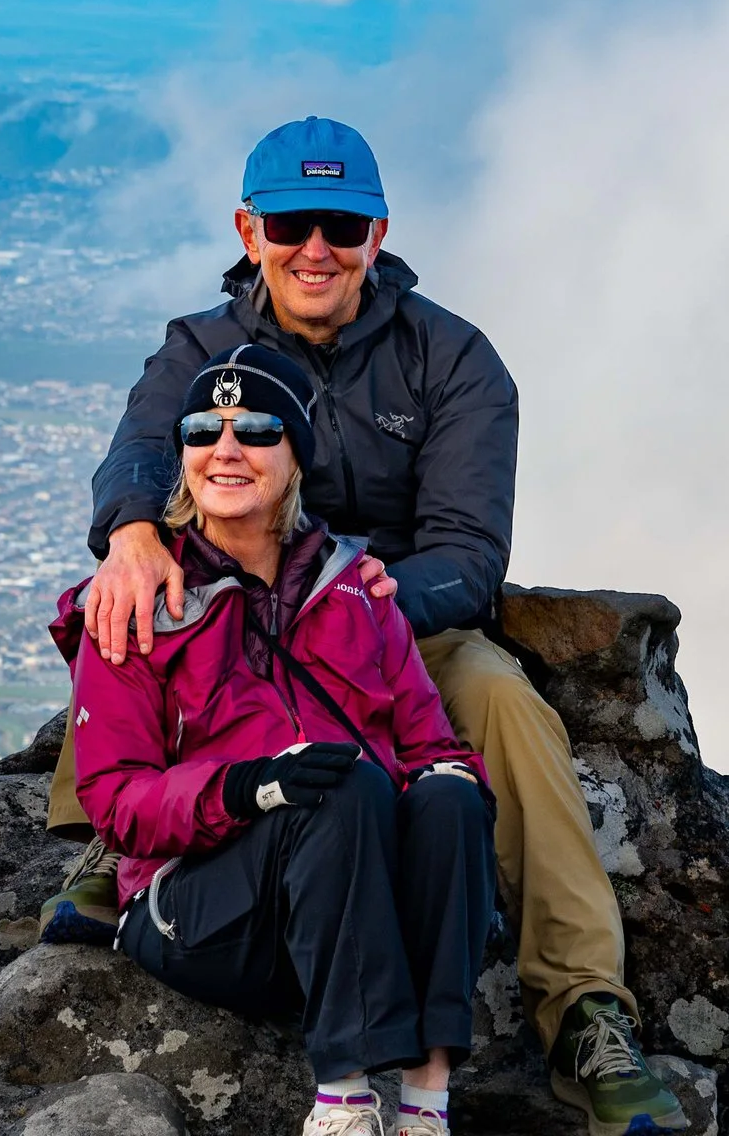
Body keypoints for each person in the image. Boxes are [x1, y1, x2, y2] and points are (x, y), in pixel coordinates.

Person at [40, 117, 687, 1136]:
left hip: (392, 618)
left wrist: (360, 599)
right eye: (292, 221)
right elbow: (131, 460)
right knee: (131, 598)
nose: (315, 247)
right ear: (249, 228)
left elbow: (469, 551)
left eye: (339, 224)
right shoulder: (199, 349)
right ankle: (118, 848)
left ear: (376, 233)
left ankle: (583, 1006)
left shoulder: (451, 358)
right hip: (231, 606)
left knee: (507, 711)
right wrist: (127, 531)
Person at [50, 344, 497, 1136]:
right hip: (198, 910)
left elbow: (432, 744)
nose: (225, 449)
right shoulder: (138, 605)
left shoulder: (358, 592)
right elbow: (116, 800)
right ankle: (344, 1103)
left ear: (295, 457)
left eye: (256, 428)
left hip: (344, 910)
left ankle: (428, 1104)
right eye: (201, 429)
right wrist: (249, 786)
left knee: (448, 801)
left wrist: (453, 781)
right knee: (337, 786)